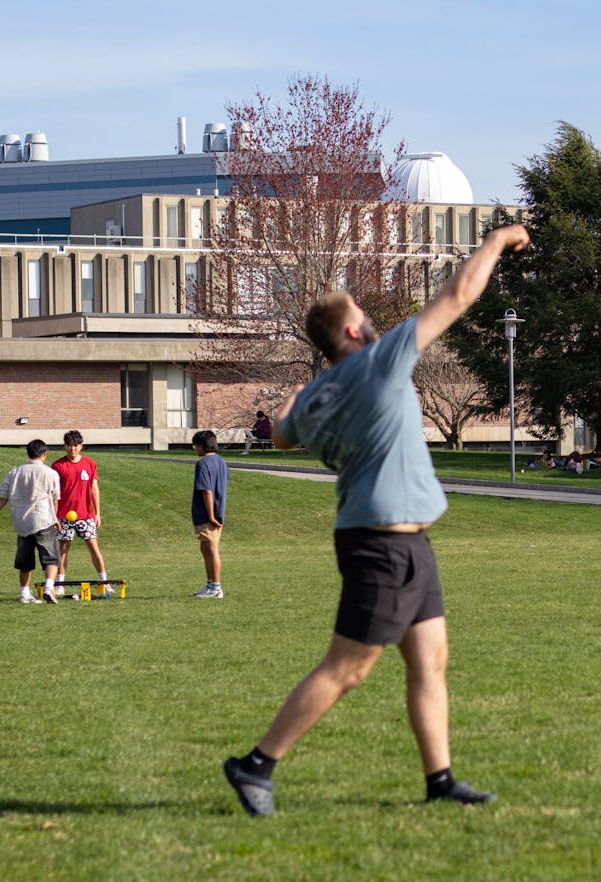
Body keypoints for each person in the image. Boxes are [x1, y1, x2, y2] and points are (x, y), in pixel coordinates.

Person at [223, 223, 531, 816]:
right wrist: (495, 242)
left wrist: (299, 395)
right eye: (363, 317)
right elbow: (458, 295)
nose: (372, 324)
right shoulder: (380, 362)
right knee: (349, 667)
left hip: (404, 541)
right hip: (381, 544)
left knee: (429, 659)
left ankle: (440, 781)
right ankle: (255, 764)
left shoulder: (319, 396)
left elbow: (281, 433)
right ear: (351, 331)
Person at [0, 439, 62, 605]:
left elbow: (3, 496)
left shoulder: (15, 472)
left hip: (22, 523)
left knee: (25, 561)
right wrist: (55, 518)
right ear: (44, 454)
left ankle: (24, 593)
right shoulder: (50, 473)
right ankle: (49, 587)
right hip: (43, 520)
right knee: (52, 559)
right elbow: (55, 499)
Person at [51, 429, 109, 595]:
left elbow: (94, 488)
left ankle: (105, 582)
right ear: (64, 446)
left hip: (86, 515)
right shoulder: (57, 466)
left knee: (94, 548)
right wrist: (54, 516)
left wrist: (97, 513)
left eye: (76, 445)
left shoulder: (90, 464)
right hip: (63, 516)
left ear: (81, 446)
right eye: (69, 445)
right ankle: (60, 584)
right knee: (63, 550)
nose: (73, 449)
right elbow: (53, 493)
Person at [191, 429, 228, 599]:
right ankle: (210, 584)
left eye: (196, 446)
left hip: (208, 514)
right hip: (217, 511)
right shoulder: (221, 461)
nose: (195, 449)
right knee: (205, 547)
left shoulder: (203, 463)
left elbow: (207, 491)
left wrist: (211, 516)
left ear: (201, 446)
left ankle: (216, 587)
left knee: (212, 549)